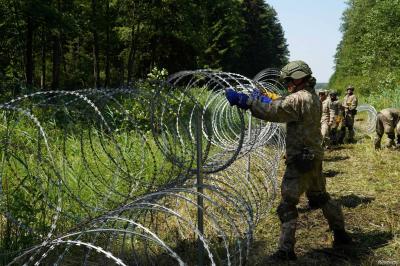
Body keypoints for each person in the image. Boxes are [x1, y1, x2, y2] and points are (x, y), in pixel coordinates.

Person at [225, 60, 352, 261]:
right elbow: (283, 103)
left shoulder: (297, 99)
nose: (287, 85)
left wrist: (247, 101)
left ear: (298, 78)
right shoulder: (312, 97)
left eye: (288, 81)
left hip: (300, 159)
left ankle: (286, 250)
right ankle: (342, 235)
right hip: (314, 156)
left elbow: (275, 111)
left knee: (287, 205)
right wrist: (268, 98)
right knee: (321, 197)